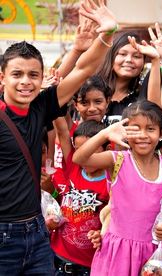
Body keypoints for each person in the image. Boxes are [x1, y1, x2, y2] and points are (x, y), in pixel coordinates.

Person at [0, 0, 118, 273]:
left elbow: (83, 70)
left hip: (37, 232)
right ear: (2, 77)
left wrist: (107, 33)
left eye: (33, 75)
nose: (25, 81)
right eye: (17, 74)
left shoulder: (40, 106)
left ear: (43, 79)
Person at [72, 101, 162, 276]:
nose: (142, 135)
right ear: (124, 131)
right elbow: (79, 158)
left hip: (154, 255)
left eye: (150, 129)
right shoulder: (117, 160)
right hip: (117, 253)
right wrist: (106, 133)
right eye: (135, 129)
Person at [51, 119, 110, 275]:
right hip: (57, 258)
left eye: (90, 152)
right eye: (79, 151)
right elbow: (62, 130)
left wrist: (101, 233)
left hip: (89, 266)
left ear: (107, 149)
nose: (83, 157)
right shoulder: (73, 165)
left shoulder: (112, 181)